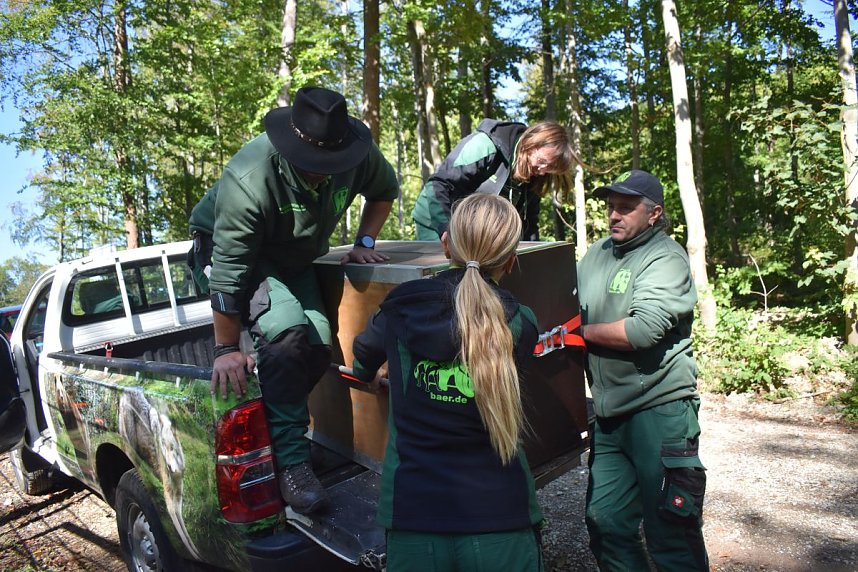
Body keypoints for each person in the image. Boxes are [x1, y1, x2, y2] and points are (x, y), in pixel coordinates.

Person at [190, 86, 398, 515]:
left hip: (293, 258)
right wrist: (227, 350)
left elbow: (384, 189)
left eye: (330, 165)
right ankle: (291, 462)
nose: (322, 174)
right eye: (312, 166)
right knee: (286, 336)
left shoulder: (356, 152)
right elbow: (229, 272)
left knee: (318, 344)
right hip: (233, 256)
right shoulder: (249, 179)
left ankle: (281, 428)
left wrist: (364, 240)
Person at [352, 193, 544, 571]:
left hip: (413, 518)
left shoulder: (400, 308)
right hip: (501, 518)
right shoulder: (522, 323)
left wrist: (377, 370)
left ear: (445, 245)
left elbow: (362, 359)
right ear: (511, 259)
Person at [577, 169, 709, 571]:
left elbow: (643, 329)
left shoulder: (665, 257)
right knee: (606, 522)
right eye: (610, 207)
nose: (614, 215)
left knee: (671, 530)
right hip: (609, 414)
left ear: (653, 214)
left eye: (626, 208)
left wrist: (576, 333)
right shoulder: (597, 255)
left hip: (660, 410)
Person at [411, 120, 576, 241]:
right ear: (531, 144)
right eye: (542, 162)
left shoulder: (536, 174)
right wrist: (446, 230)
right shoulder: (485, 145)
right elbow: (438, 185)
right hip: (437, 217)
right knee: (450, 279)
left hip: (475, 229)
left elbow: (529, 222)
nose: (542, 171)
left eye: (549, 169)